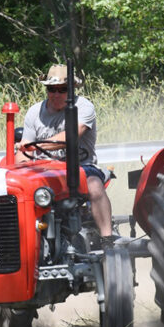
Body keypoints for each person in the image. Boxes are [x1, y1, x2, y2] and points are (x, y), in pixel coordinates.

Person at [15, 64, 114, 247]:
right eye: (52, 89)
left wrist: (33, 147)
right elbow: (22, 153)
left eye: (62, 89)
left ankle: (107, 240)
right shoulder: (34, 112)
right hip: (44, 171)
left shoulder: (84, 107)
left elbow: (71, 135)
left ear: (71, 90)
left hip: (81, 167)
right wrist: (20, 166)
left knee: (94, 186)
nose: (56, 94)